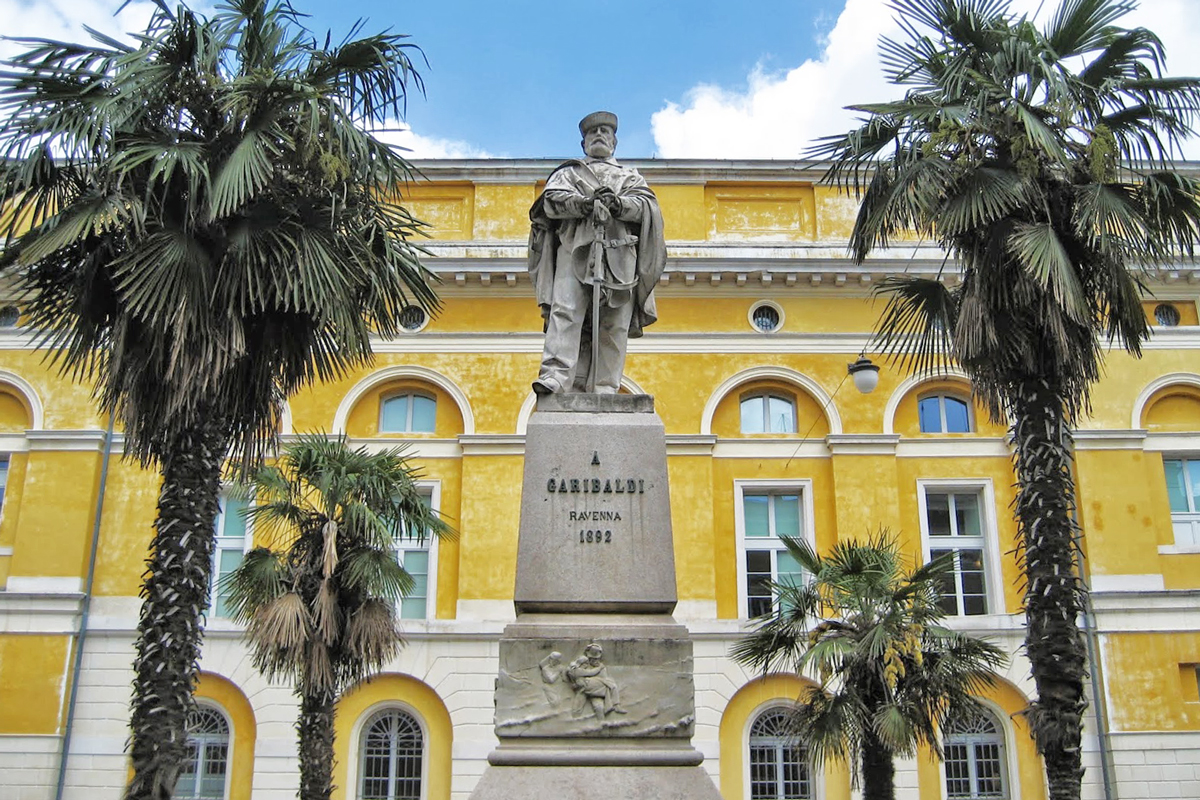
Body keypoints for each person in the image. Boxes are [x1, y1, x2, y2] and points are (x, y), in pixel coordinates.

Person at [528, 111, 667, 395]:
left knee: (613, 323)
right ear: (583, 144)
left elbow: (647, 208)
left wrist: (618, 205)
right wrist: (584, 203)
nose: (599, 136)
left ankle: (605, 386)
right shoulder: (569, 173)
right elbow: (550, 203)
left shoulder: (630, 177)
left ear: (615, 141)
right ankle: (556, 376)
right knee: (565, 311)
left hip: (620, 256)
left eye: (605, 131)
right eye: (593, 133)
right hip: (574, 251)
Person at [567, 642, 625, 720]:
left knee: (599, 707)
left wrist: (588, 679)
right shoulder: (581, 665)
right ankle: (573, 725)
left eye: (596, 658)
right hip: (582, 691)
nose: (595, 660)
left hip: (595, 692)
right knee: (576, 710)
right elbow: (571, 672)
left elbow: (602, 679)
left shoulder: (601, 667)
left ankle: (603, 726)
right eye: (592, 658)